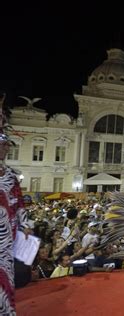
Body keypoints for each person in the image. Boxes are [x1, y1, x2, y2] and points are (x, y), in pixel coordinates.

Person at [0, 95, 33, 314]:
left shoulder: (10, 175)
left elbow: (20, 204)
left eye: (6, 146)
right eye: (1, 145)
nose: (4, 149)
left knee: (4, 276)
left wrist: (26, 224)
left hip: (5, 237)